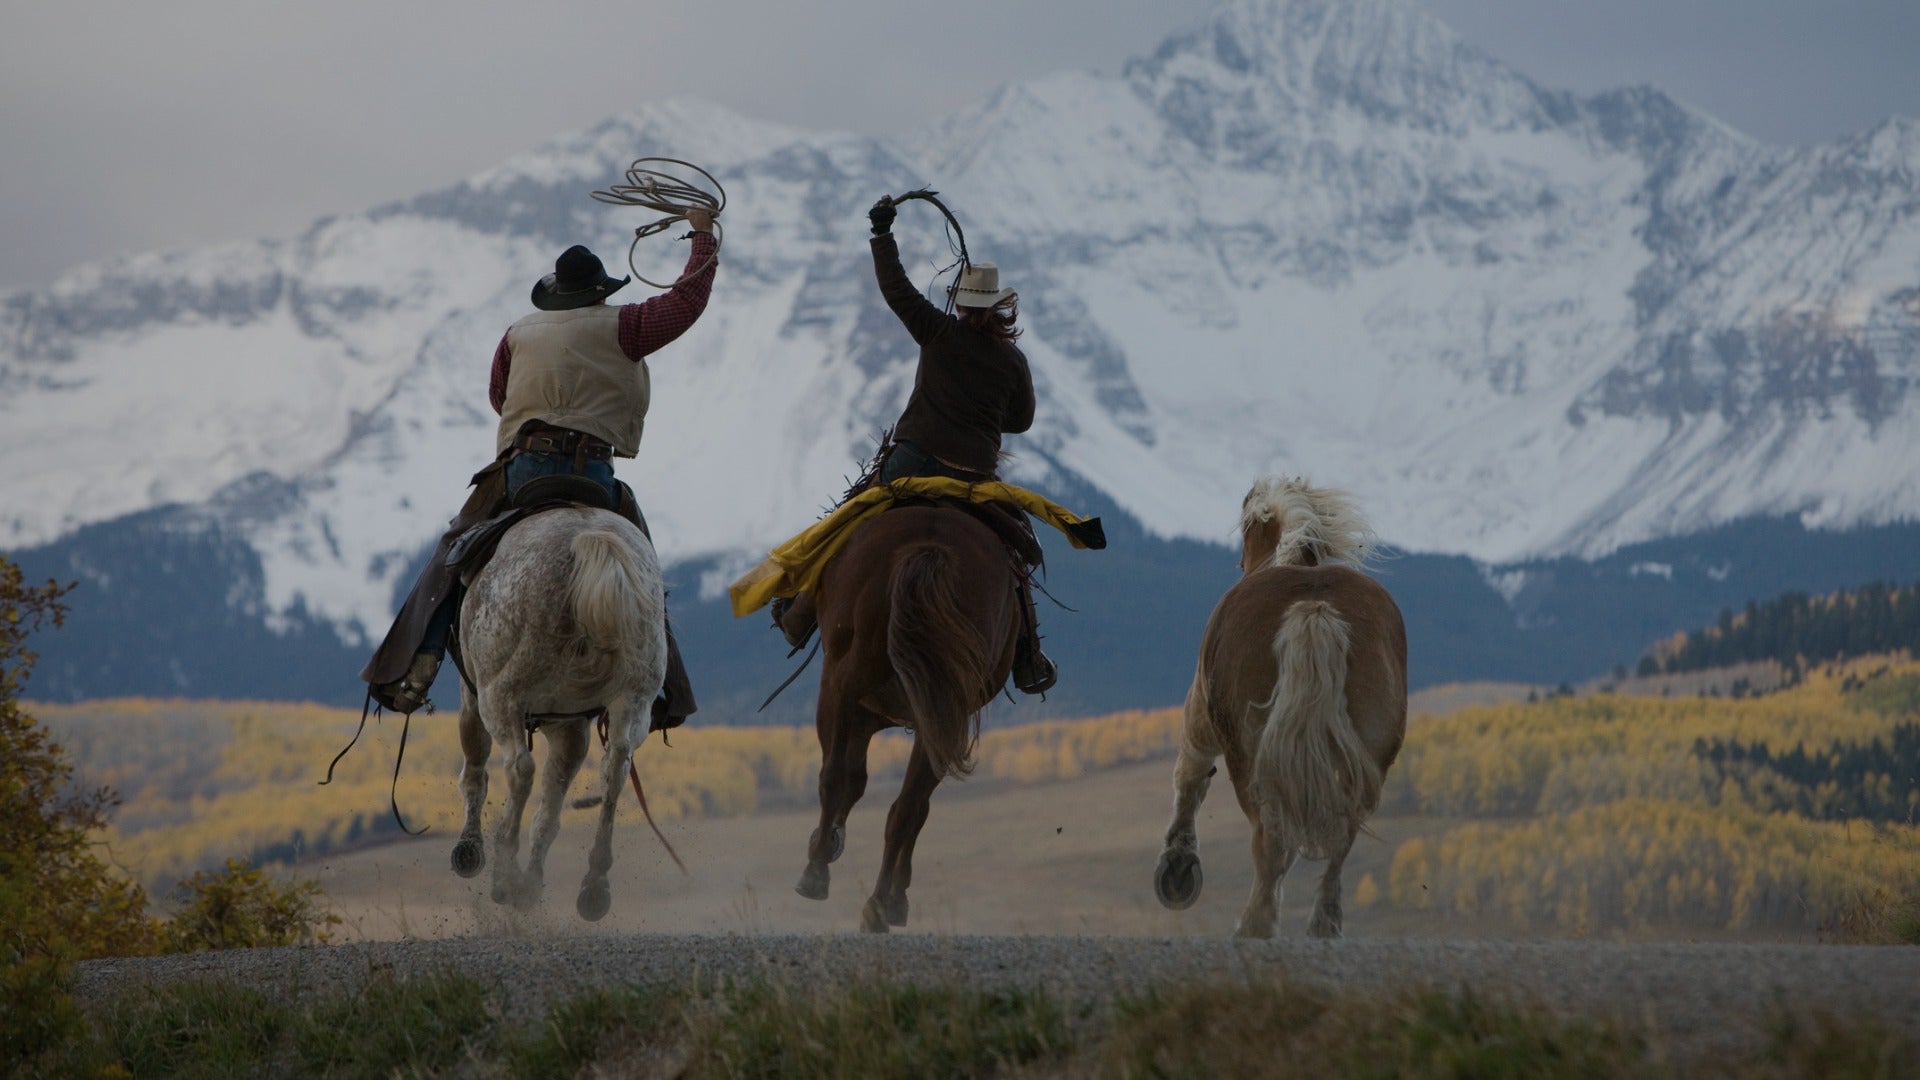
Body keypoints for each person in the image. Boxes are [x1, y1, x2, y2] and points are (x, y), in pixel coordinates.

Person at [362, 209, 719, 721]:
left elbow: (499, 397)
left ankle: (416, 667)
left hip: (525, 466)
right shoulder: (627, 324)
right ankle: (665, 691)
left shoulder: (517, 335)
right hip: (594, 470)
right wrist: (703, 236)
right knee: (643, 569)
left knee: (455, 548)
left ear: (557, 295)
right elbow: (687, 302)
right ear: (600, 292)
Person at [773, 196, 1056, 693]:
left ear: (962, 303)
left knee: (850, 516)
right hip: (973, 480)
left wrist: (882, 235)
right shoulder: (1014, 363)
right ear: (998, 306)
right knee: (1017, 558)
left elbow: (897, 291)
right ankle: (1027, 658)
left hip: (912, 462)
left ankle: (799, 615)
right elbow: (1023, 420)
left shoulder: (937, 331)